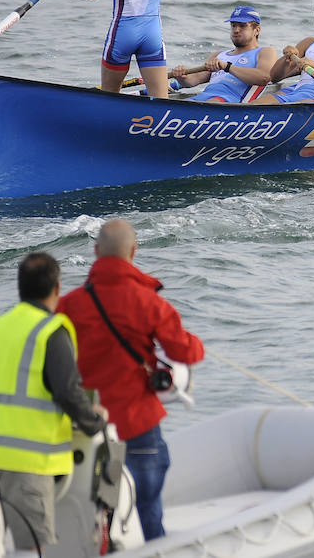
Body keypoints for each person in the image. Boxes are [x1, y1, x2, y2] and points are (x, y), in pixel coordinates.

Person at [57, 219, 204, 542]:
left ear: (96, 252)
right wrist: (197, 343)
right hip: (137, 423)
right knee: (148, 506)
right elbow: (184, 351)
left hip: (85, 426)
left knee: (90, 510)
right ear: (134, 252)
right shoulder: (148, 302)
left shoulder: (68, 306)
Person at [0, 252, 109, 550]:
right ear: (57, 289)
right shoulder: (50, 331)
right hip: (24, 462)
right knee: (32, 548)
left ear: (20, 287)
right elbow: (67, 392)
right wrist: (94, 422)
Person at [170, 5, 279, 102]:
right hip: (204, 98)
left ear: (257, 30)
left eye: (242, 26)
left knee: (210, 103)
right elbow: (192, 81)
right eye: (233, 25)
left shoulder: (265, 52)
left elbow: (264, 78)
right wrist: (182, 77)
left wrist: (227, 67)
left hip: (231, 102)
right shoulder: (218, 55)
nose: (236, 30)